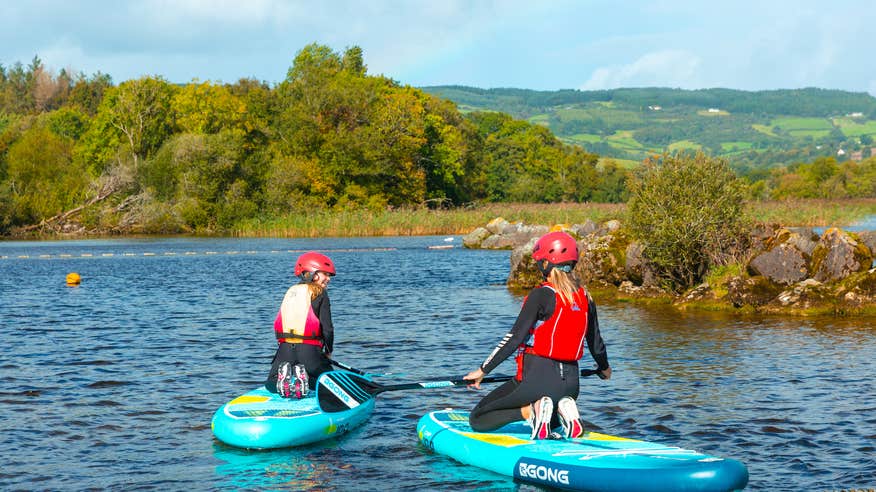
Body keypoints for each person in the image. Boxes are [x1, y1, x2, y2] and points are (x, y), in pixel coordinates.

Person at [464, 231, 611, 439]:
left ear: (545, 264)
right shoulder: (586, 297)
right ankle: (564, 412)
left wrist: (482, 370)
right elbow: (596, 342)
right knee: (550, 411)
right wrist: (604, 368)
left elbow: (514, 338)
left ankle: (531, 410)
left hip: (536, 382)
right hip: (571, 385)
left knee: (478, 418)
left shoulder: (542, 294)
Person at [265, 251, 337, 398]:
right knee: (330, 383)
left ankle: (287, 381)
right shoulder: (320, 293)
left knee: (271, 384)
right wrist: (328, 351)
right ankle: (305, 378)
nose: (328, 279)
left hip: (284, 350)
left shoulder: (291, 291)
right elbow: (327, 328)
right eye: (326, 274)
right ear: (313, 274)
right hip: (309, 350)